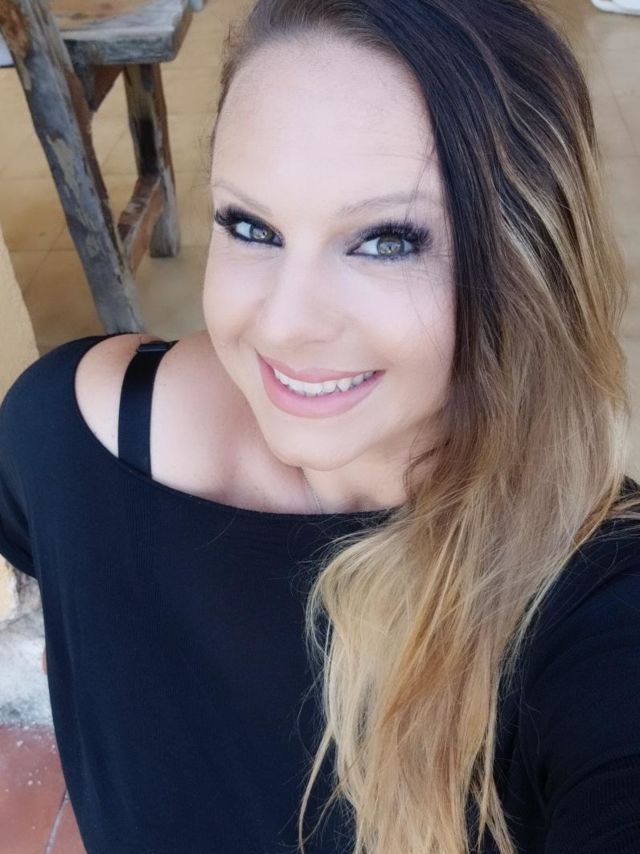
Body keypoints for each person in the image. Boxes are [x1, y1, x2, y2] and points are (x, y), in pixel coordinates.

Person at [1, 0, 640, 852]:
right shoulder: (63, 443)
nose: (284, 324)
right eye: (251, 226)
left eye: (385, 241)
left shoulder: (595, 595)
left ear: (530, 261)